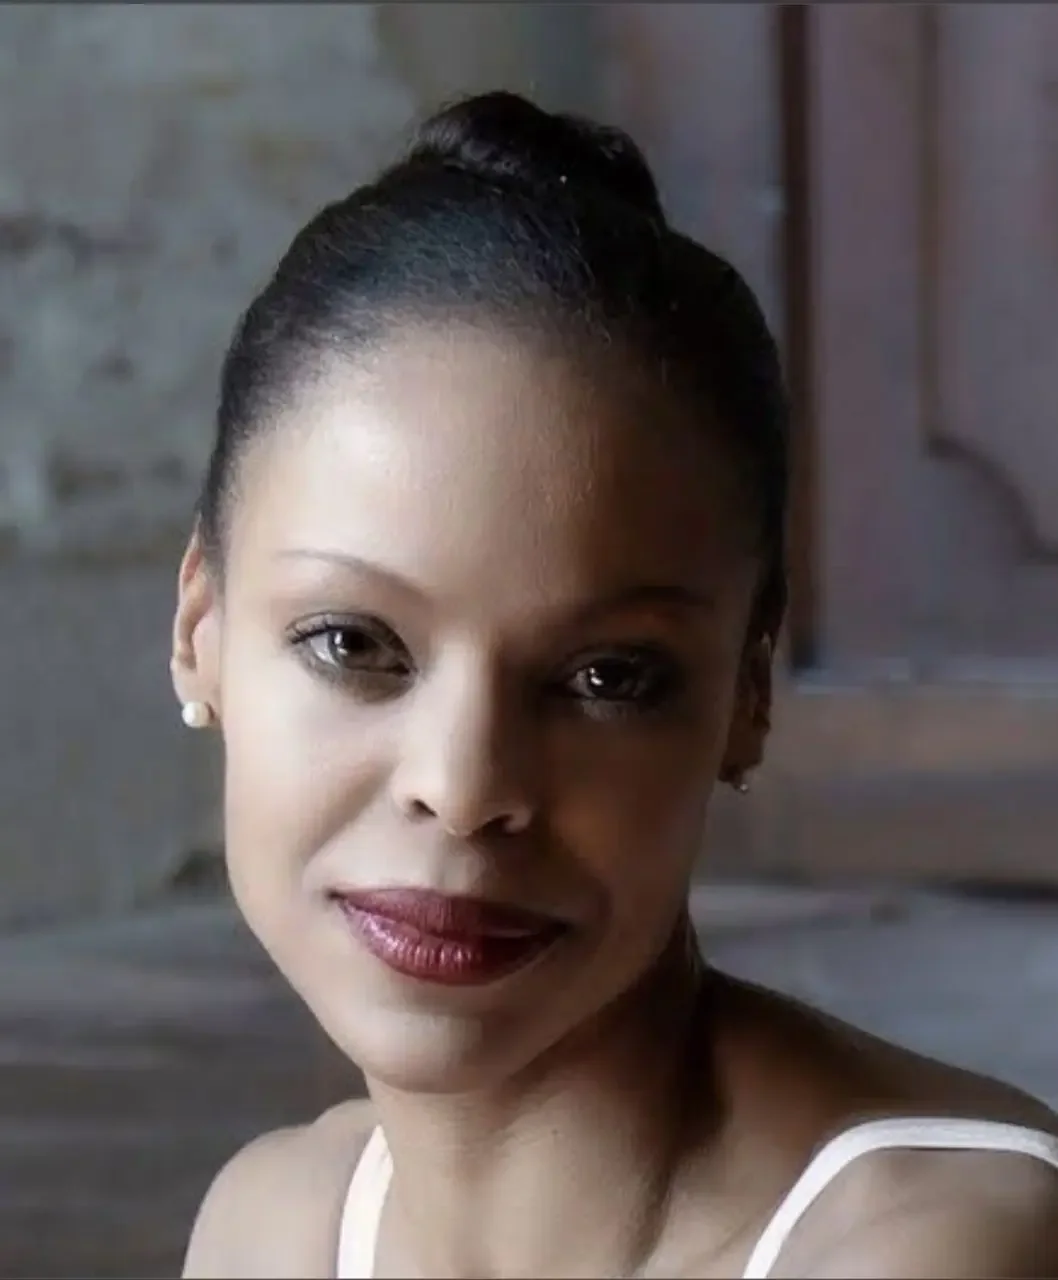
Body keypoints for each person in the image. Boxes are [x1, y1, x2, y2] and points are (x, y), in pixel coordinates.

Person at [171, 91, 1058, 1279]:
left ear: (744, 695)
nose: (464, 785)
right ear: (200, 628)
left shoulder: (935, 1243)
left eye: (605, 675)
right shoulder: (272, 1227)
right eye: (353, 643)